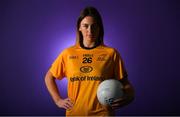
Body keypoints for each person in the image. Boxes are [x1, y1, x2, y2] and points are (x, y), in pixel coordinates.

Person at [45, 6, 135, 116]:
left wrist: (128, 97)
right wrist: (58, 100)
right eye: (85, 26)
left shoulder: (111, 53)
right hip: (75, 114)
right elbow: (49, 77)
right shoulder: (68, 53)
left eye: (94, 26)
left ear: (99, 28)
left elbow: (127, 86)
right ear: (79, 27)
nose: (90, 30)